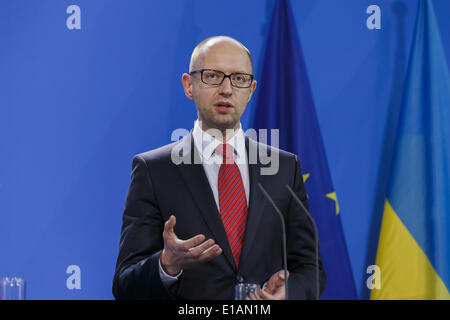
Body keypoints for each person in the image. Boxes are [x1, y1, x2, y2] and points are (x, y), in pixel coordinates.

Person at [112, 36, 326, 300]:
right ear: (188, 85)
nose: (226, 89)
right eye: (213, 76)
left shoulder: (284, 167)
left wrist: (287, 293)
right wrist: (167, 264)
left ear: (251, 89)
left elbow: (310, 268)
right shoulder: (154, 170)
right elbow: (125, 286)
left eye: (239, 79)